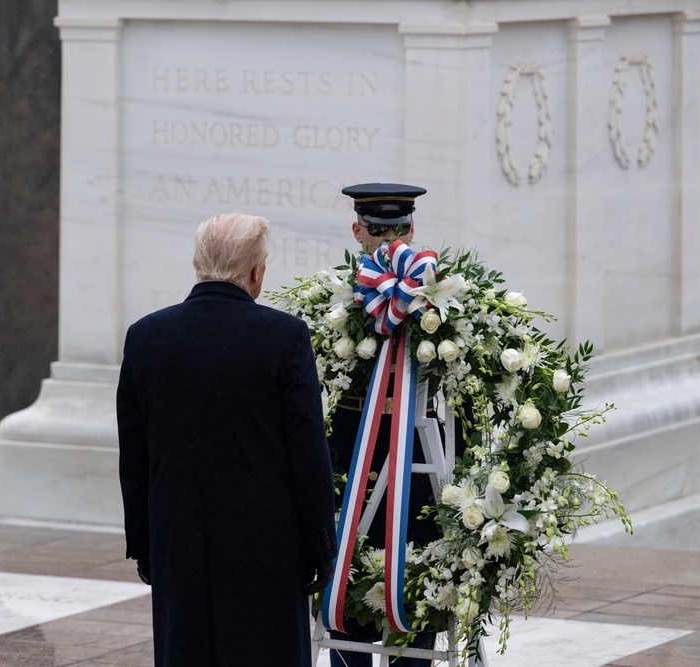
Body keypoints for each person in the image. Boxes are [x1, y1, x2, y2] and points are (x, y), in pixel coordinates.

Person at [117, 212, 337, 667]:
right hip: (267, 551)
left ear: (198, 264)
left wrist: (144, 544)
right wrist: (321, 548)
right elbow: (307, 455)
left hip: (179, 546)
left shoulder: (145, 337)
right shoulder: (284, 337)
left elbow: (135, 459)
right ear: (256, 271)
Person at [328, 183, 469, 667]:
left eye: (398, 229)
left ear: (413, 229)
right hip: (357, 471)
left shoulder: (443, 304)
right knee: (352, 603)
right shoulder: (341, 305)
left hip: (419, 473)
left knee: (418, 599)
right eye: (375, 230)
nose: (387, 240)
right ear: (356, 231)